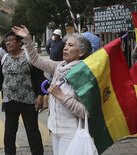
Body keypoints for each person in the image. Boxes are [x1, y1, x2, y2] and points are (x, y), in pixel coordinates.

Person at [12, 25, 91, 155]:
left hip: (72, 134)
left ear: (81, 52)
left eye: (70, 45)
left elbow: (86, 112)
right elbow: (36, 60)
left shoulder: (83, 74)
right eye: (65, 45)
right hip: (55, 131)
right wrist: (28, 40)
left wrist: (62, 96)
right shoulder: (59, 67)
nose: (65, 48)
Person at [0, 30, 46, 155]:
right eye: (6, 41)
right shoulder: (4, 58)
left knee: (32, 132)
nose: (8, 43)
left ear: (20, 42)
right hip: (10, 101)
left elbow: (40, 77)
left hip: (29, 101)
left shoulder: (30, 56)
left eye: (11, 40)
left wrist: (40, 96)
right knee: (9, 132)